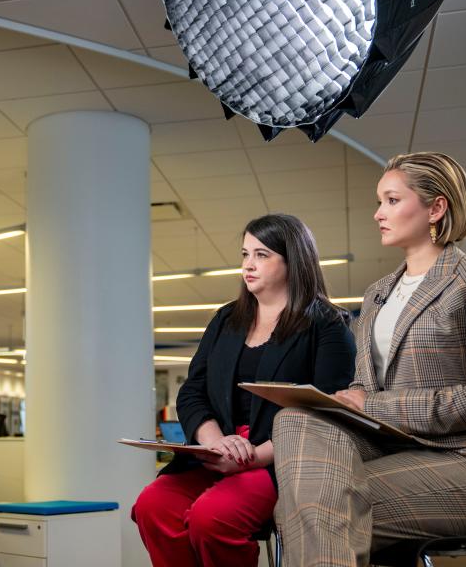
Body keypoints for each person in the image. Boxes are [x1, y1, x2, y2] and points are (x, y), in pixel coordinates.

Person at [272, 152, 466, 565]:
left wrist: (371, 404)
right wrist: (345, 399)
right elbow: (365, 386)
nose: (378, 214)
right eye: (378, 202)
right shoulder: (377, 293)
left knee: (305, 511)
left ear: (436, 208)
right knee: (295, 419)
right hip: (390, 451)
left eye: (391, 200)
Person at [132, 214, 356, 566]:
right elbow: (192, 391)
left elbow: (327, 412)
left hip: (278, 460)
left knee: (212, 518)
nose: (248, 266)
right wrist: (214, 442)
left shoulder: (327, 324)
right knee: (152, 505)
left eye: (262, 255)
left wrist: (250, 457)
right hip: (217, 450)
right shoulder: (225, 319)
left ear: (293, 260)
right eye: (244, 254)